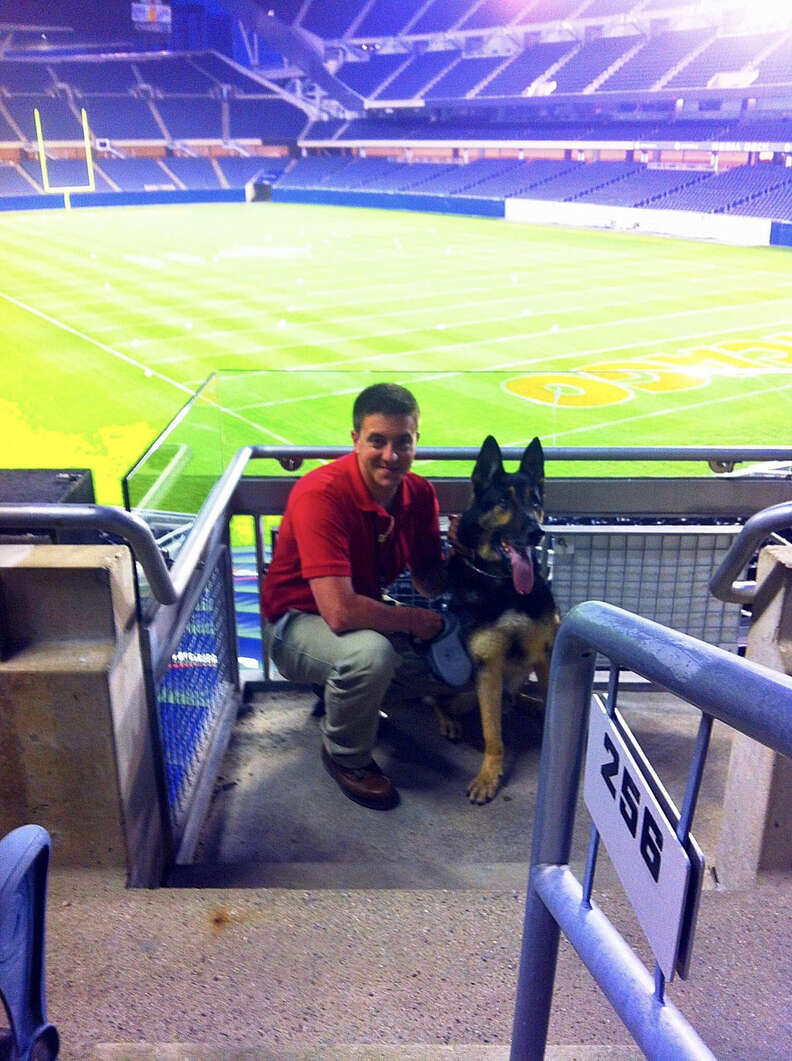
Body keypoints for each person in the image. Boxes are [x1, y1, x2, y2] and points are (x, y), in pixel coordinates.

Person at [261, 383, 449, 810]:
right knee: (369, 658)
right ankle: (346, 755)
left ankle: (342, 695)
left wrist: (460, 554)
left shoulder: (419, 494)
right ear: (355, 441)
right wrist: (414, 622)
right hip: (294, 622)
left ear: (417, 441)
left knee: (449, 659)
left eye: (403, 442)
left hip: (355, 615)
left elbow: (428, 582)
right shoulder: (321, 494)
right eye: (377, 441)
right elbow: (341, 613)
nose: (391, 455)